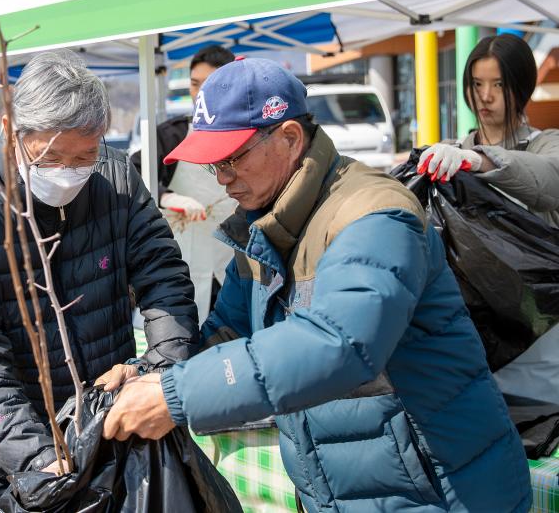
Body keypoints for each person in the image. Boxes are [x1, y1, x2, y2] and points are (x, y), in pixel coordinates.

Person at [102, 58, 531, 512]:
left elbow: (339, 344)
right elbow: (226, 333)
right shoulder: (262, 227)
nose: (223, 179)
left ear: (289, 138)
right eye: (213, 166)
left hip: (442, 493)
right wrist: (155, 374)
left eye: (232, 159)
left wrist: (176, 395)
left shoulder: (374, 214)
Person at [0, 50, 199, 513]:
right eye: (51, 156)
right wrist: (36, 456)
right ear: (11, 131)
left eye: (84, 155)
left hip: (104, 434)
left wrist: (160, 370)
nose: (69, 173)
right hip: (4, 460)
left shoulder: (115, 178)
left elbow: (163, 275)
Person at [132, 45, 236, 321]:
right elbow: (135, 171)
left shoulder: (246, 134)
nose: (200, 93)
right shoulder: (173, 134)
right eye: (194, 83)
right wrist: (168, 197)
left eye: (210, 84)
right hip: (186, 254)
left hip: (234, 253)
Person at [418, 33, 559, 227]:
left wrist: (479, 160)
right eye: (477, 83)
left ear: (522, 86)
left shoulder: (546, 143)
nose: (485, 96)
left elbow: (550, 180)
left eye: (498, 84)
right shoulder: (451, 150)